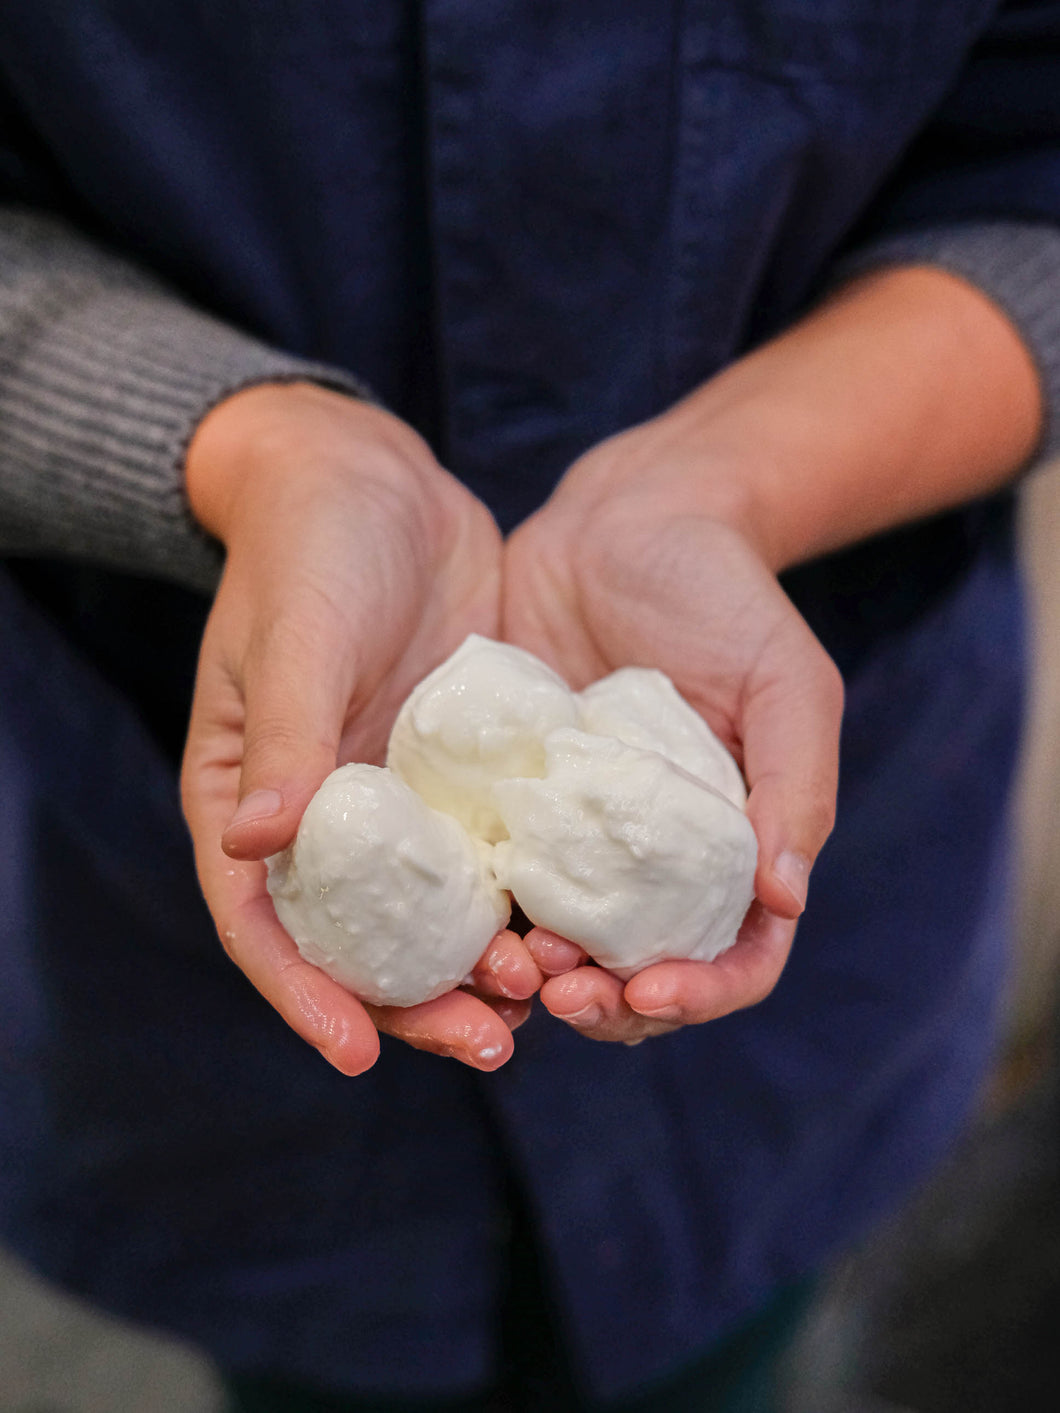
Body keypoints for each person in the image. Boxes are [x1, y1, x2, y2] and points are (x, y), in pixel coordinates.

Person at [1, 3, 1058, 1409]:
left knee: (728, 1353)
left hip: (797, 1030)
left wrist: (738, 477)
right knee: (325, 1377)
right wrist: (256, 451)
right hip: (194, 1025)